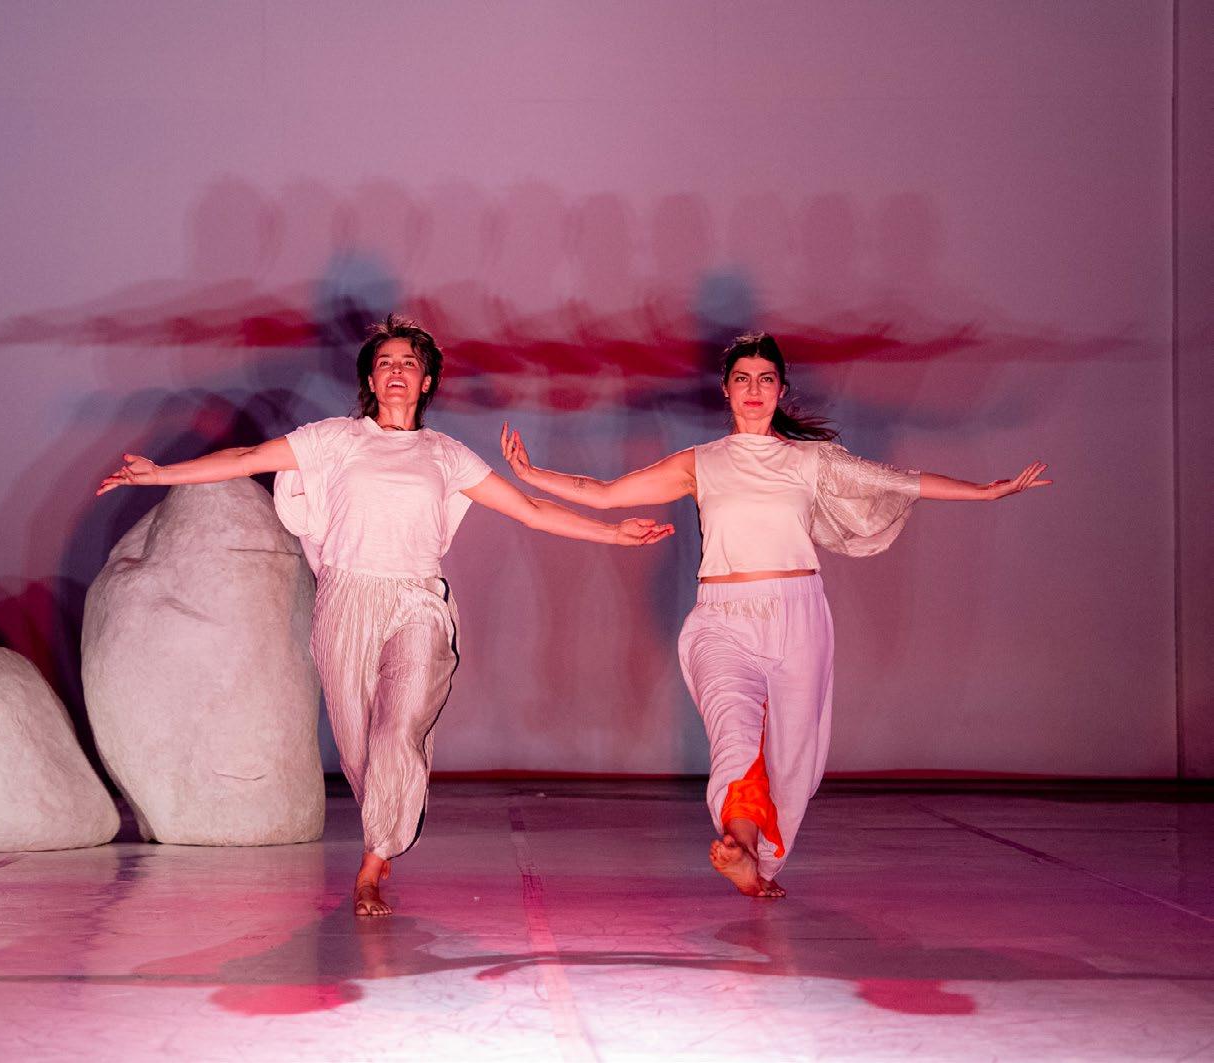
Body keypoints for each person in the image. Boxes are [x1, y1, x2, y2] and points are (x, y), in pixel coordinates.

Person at [98, 314, 672, 916]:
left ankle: (372, 864)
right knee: (360, 748)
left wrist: (614, 534)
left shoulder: (446, 455)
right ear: (371, 380)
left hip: (417, 600)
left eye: (409, 363)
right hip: (346, 600)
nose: (397, 371)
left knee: (398, 728)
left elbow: (529, 510)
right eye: (385, 363)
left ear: (427, 382)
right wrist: (160, 474)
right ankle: (385, 825)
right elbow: (248, 456)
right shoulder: (333, 439)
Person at [500, 331, 1049, 899]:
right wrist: (533, 475)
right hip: (722, 620)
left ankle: (759, 862)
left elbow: (899, 481)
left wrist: (985, 492)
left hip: (798, 617)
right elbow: (606, 492)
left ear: (782, 390)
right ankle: (738, 847)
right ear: (726, 389)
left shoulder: (810, 460)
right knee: (734, 737)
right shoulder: (701, 463)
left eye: (766, 379)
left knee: (792, 765)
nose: (754, 389)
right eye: (742, 379)